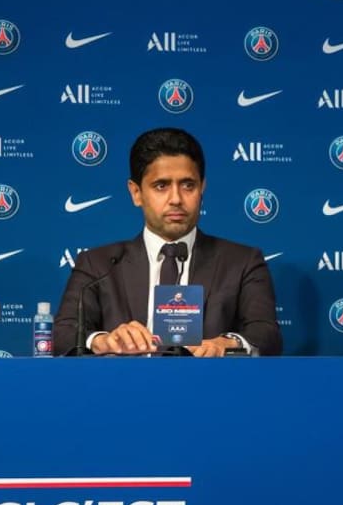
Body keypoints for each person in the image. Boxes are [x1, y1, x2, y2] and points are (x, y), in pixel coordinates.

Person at [53, 128, 282, 357]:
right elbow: (63, 334)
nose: (176, 199)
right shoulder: (98, 265)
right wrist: (102, 340)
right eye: (161, 186)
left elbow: (266, 335)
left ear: (203, 187)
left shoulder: (242, 262)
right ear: (136, 192)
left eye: (188, 185)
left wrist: (226, 343)